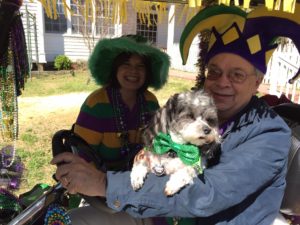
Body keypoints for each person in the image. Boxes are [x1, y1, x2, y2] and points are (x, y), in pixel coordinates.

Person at [51, 4, 300, 225]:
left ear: (258, 81)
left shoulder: (269, 133)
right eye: (214, 72)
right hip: (160, 211)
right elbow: (154, 151)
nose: (222, 82)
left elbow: (207, 195)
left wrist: (104, 183)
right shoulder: (189, 108)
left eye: (237, 74)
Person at [62, 34, 170, 224]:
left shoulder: (150, 101)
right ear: (114, 68)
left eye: (140, 66)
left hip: (144, 191)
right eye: (126, 64)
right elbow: (82, 157)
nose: (133, 71)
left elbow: (158, 146)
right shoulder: (97, 103)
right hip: (103, 195)